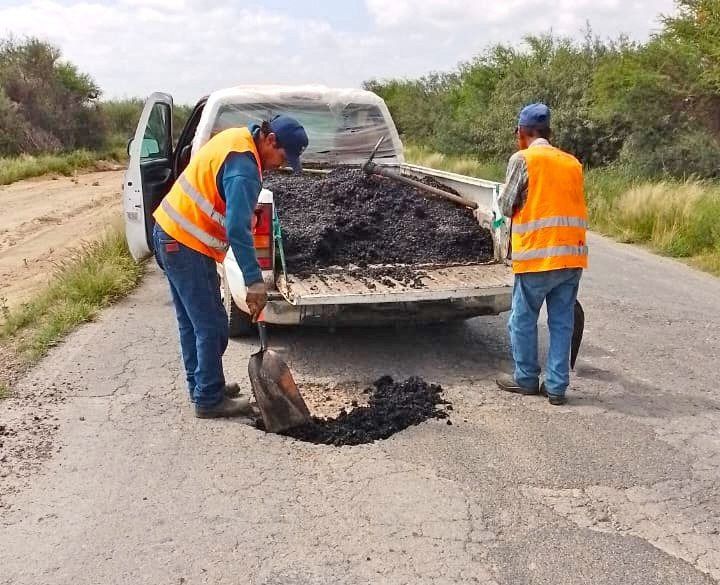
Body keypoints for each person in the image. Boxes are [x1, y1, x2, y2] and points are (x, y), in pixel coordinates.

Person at [152, 115, 309, 418]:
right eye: (282, 157)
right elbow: (237, 229)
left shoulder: (239, 138)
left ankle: (203, 386)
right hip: (184, 244)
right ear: (270, 140)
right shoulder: (245, 169)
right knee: (211, 326)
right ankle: (209, 399)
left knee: (193, 323)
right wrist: (254, 281)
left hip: (171, 233)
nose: (280, 165)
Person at [495, 103, 588, 406]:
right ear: (549, 132)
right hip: (571, 257)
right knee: (562, 322)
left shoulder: (523, 159)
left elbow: (506, 205)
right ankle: (557, 387)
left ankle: (525, 379)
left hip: (537, 257)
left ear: (522, 132)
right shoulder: (572, 163)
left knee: (522, 320)